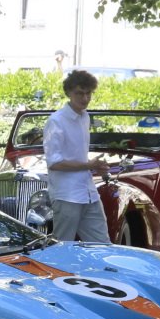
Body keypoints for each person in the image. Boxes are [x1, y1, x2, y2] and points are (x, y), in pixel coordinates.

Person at [43, 69, 111, 242]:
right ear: (68, 93)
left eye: (89, 93)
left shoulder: (85, 117)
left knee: (102, 245)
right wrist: (88, 165)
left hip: (88, 192)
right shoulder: (56, 121)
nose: (85, 98)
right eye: (79, 93)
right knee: (62, 246)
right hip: (66, 195)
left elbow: (76, 157)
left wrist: (94, 166)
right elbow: (54, 163)